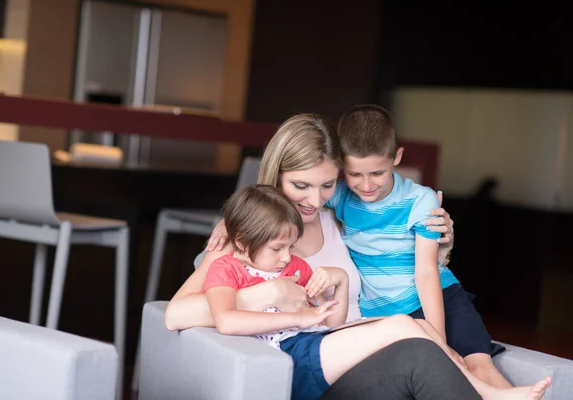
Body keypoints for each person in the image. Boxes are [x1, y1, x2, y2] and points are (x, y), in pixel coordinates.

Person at [166, 114, 551, 399]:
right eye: (300, 185)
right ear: (275, 175)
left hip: (363, 344)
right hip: (320, 362)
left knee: (419, 347)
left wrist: (441, 239)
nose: (313, 200)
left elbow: (400, 261)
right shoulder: (249, 238)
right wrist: (267, 295)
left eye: (327, 185)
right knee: (419, 354)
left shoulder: (340, 217)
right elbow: (178, 313)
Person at [326, 104, 512, 388]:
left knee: (478, 367)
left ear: (396, 157)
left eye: (377, 173)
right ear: (340, 165)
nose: (365, 185)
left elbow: (426, 273)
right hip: (388, 315)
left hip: (442, 298)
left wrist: (437, 341)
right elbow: (287, 198)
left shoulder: (419, 200)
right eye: (354, 174)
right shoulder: (336, 194)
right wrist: (230, 224)